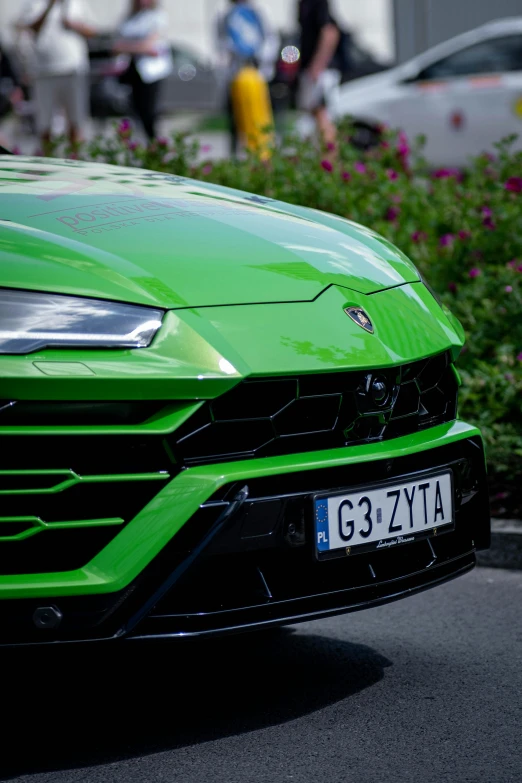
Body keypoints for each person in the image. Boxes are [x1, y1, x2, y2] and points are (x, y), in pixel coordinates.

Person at [18, 0, 96, 154]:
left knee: (76, 122)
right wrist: (50, 6)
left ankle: (76, 165)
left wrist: (74, 25)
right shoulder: (34, 3)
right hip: (43, 72)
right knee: (44, 125)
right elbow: (31, 28)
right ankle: (47, 164)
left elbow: (92, 31)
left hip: (73, 70)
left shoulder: (76, 3)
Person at [216, 0, 277, 156]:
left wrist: (260, 60)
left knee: (260, 118)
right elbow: (221, 44)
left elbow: (270, 39)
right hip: (235, 75)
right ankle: (237, 155)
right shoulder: (225, 14)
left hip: (257, 75)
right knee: (235, 121)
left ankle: (263, 153)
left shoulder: (259, 11)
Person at [113, 0, 173, 142]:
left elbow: (148, 46)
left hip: (150, 72)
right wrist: (138, 48)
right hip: (131, 71)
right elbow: (116, 46)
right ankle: (141, 146)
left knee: (149, 113)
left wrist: (128, 47)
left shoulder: (157, 16)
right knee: (134, 113)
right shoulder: (129, 18)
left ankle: (154, 146)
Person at [298, 0, 340, 147]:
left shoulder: (317, 2)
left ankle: (330, 162)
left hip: (320, 72)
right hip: (312, 69)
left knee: (322, 114)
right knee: (312, 119)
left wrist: (317, 65)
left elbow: (330, 32)